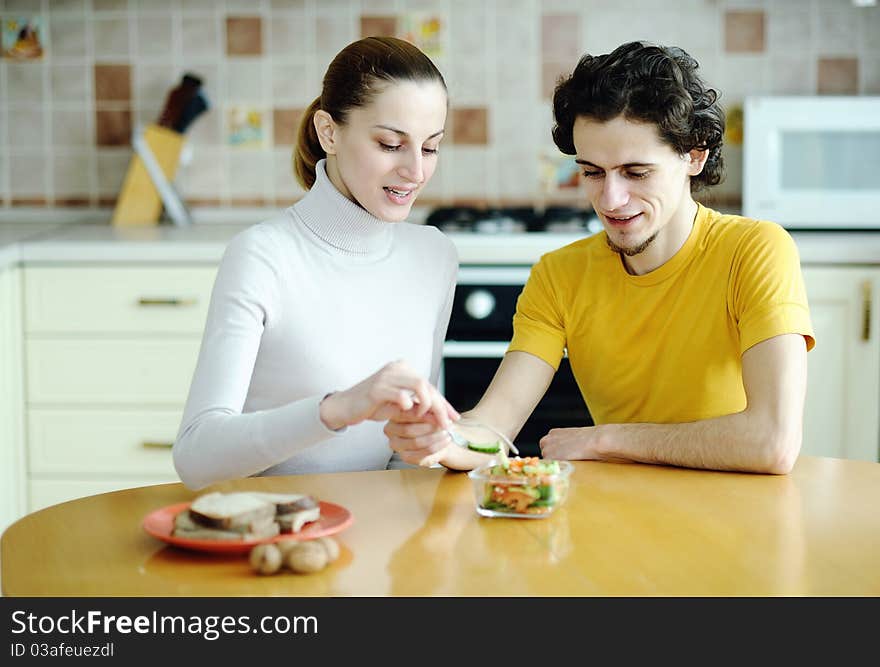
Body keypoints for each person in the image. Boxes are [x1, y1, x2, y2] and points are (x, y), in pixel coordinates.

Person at [386, 40, 815, 475]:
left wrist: (607, 438)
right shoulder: (560, 275)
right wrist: (443, 438)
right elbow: (493, 429)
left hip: (734, 523)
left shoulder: (754, 251)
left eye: (636, 172)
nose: (610, 199)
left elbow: (772, 442)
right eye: (592, 172)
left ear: (695, 155)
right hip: (618, 517)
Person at [173, 36, 459, 490]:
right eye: (390, 144)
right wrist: (338, 409)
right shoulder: (263, 255)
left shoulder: (434, 255)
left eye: (430, 148)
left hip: (382, 543)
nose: (416, 171)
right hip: (273, 539)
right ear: (329, 132)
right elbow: (195, 456)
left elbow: (405, 451)